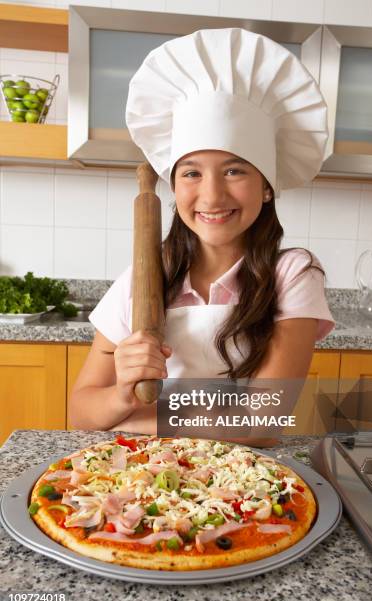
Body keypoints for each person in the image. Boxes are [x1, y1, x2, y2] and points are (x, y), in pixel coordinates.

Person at [68, 28, 335, 437]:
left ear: (267, 186)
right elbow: (81, 414)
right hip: (147, 478)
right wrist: (121, 393)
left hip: (249, 486)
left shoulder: (293, 275)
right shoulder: (144, 278)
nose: (211, 195)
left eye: (234, 170)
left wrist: (134, 422)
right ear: (174, 187)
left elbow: (259, 424)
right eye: (191, 173)